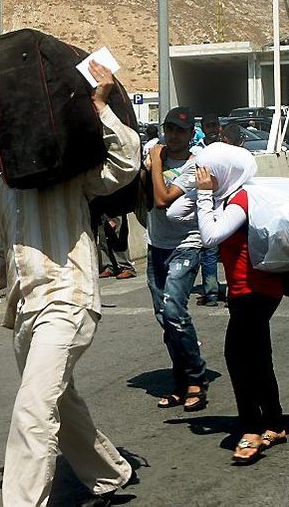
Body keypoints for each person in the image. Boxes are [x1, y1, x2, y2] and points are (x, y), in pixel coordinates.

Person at [0, 60, 136, 507]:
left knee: (32, 409)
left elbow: (125, 163)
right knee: (60, 404)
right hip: (26, 313)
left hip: (67, 298)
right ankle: (109, 474)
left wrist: (100, 107)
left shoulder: (64, 171)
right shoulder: (4, 188)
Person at [182, 143, 287, 464]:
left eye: (209, 172)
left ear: (224, 173)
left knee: (237, 356)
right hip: (247, 290)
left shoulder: (241, 199)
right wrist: (195, 189)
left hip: (256, 289)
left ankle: (252, 429)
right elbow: (172, 213)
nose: (204, 177)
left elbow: (211, 236)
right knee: (257, 355)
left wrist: (202, 195)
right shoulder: (226, 197)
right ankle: (274, 422)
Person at [145, 107, 210, 411]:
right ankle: (182, 381)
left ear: (190, 134)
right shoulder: (151, 153)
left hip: (186, 243)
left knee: (173, 309)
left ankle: (197, 377)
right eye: (169, 129)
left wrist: (155, 163)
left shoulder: (197, 164)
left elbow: (162, 199)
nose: (173, 136)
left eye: (180, 131)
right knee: (165, 318)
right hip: (156, 244)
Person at [194, 114, 223, 306]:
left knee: (231, 250)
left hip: (227, 204)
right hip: (207, 204)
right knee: (209, 251)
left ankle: (234, 292)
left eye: (215, 125)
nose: (212, 129)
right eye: (208, 126)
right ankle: (211, 292)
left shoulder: (226, 147)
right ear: (203, 128)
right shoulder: (196, 151)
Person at [96, 213, 137, 279]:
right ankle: (109, 266)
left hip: (114, 207)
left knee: (117, 234)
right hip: (100, 208)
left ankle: (126, 267)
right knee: (102, 237)